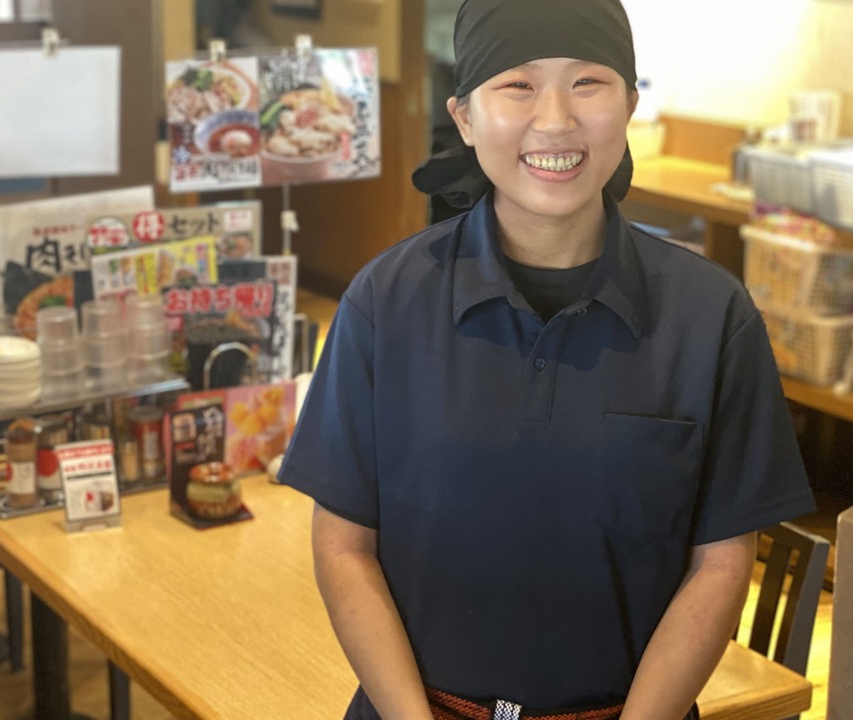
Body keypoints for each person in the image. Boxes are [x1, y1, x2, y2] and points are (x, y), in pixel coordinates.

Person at [276, 1, 817, 719]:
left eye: (588, 83)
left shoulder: (710, 316)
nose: (556, 119)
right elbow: (344, 547)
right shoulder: (387, 301)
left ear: (629, 103)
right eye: (518, 85)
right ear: (465, 117)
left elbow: (720, 563)